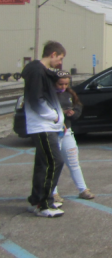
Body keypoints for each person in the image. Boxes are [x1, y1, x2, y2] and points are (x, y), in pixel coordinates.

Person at [22, 40, 66, 217]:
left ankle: (36, 200)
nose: (60, 62)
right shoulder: (37, 72)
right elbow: (36, 100)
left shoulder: (42, 71)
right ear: (53, 54)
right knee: (55, 161)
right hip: (43, 125)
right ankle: (45, 204)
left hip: (48, 125)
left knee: (42, 163)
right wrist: (54, 116)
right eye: (60, 58)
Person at [52, 71, 95, 203]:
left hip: (66, 131)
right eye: (60, 84)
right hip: (52, 132)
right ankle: (53, 193)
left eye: (66, 84)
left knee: (73, 162)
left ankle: (83, 190)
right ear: (54, 82)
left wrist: (73, 113)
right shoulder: (49, 95)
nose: (63, 87)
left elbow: (78, 108)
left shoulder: (70, 94)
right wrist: (61, 113)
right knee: (54, 163)